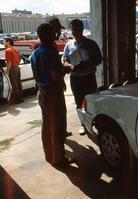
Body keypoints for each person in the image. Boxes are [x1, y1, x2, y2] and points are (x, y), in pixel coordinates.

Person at [31, 23, 74, 167]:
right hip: (53, 93)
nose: (57, 34)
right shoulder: (51, 52)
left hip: (42, 92)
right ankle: (59, 158)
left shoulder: (35, 53)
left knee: (46, 125)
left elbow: (36, 76)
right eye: (54, 33)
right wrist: (66, 69)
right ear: (50, 35)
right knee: (57, 126)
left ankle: (49, 154)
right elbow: (55, 76)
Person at [62, 19, 103, 134]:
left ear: (81, 29)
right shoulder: (69, 45)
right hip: (75, 78)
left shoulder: (91, 44)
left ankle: (96, 123)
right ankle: (83, 124)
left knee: (91, 100)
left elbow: (99, 59)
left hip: (88, 77)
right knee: (79, 101)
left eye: (77, 29)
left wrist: (87, 64)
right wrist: (67, 64)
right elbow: (64, 59)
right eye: (72, 29)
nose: (74, 32)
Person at [3, 37, 23, 105]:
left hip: (12, 68)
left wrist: (7, 70)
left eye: (4, 41)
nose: (3, 43)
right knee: (18, 83)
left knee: (14, 85)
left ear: (8, 42)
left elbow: (8, 62)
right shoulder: (15, 49)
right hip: (17, 67)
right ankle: (21, 98)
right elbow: (20, 59)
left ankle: (17, 100)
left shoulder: (7, 50)